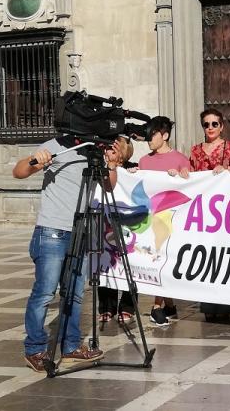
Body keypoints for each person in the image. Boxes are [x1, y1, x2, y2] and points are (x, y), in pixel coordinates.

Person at [13, 135, 125, 371]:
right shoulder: (55, 146)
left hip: (82, 231)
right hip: (52, 230)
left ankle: (71, 347)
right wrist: (36, 160)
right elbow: (19, 171)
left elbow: (108, 186)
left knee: (74, 293)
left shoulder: (94, 151)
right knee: (45, 293)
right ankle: (34, 349)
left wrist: (112, 165)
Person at [183, 109, 230, 321]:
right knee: (207, 257)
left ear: (222, 126)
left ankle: (226, 306)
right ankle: (208, 306)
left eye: (214, 124)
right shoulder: (195, 150)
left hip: (227, 211)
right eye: (206, 124)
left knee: (226, 257)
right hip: (204, 212)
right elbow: (191, 176)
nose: (210, 128)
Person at [130, 116, 191, 326]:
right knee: (156, 257)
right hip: (151, 217)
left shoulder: (181, 159)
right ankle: (168, 305)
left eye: (152, 133)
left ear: (164, 136)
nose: (148, 138)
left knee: (162, 256)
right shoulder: (144, 161)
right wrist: (132, 176)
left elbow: (191, 187)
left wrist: (183, 176)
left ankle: (157, 307)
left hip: (174, 218)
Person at [97, 136, 136, 324]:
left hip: (128, 224)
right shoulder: (97, 167)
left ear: (123, 151)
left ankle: (128, 306)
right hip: (105, 221)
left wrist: (135, 174)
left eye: (113, 147)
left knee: (132, 262)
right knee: (105, 261)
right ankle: (106, 306)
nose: (108, 150)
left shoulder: (134, 168)